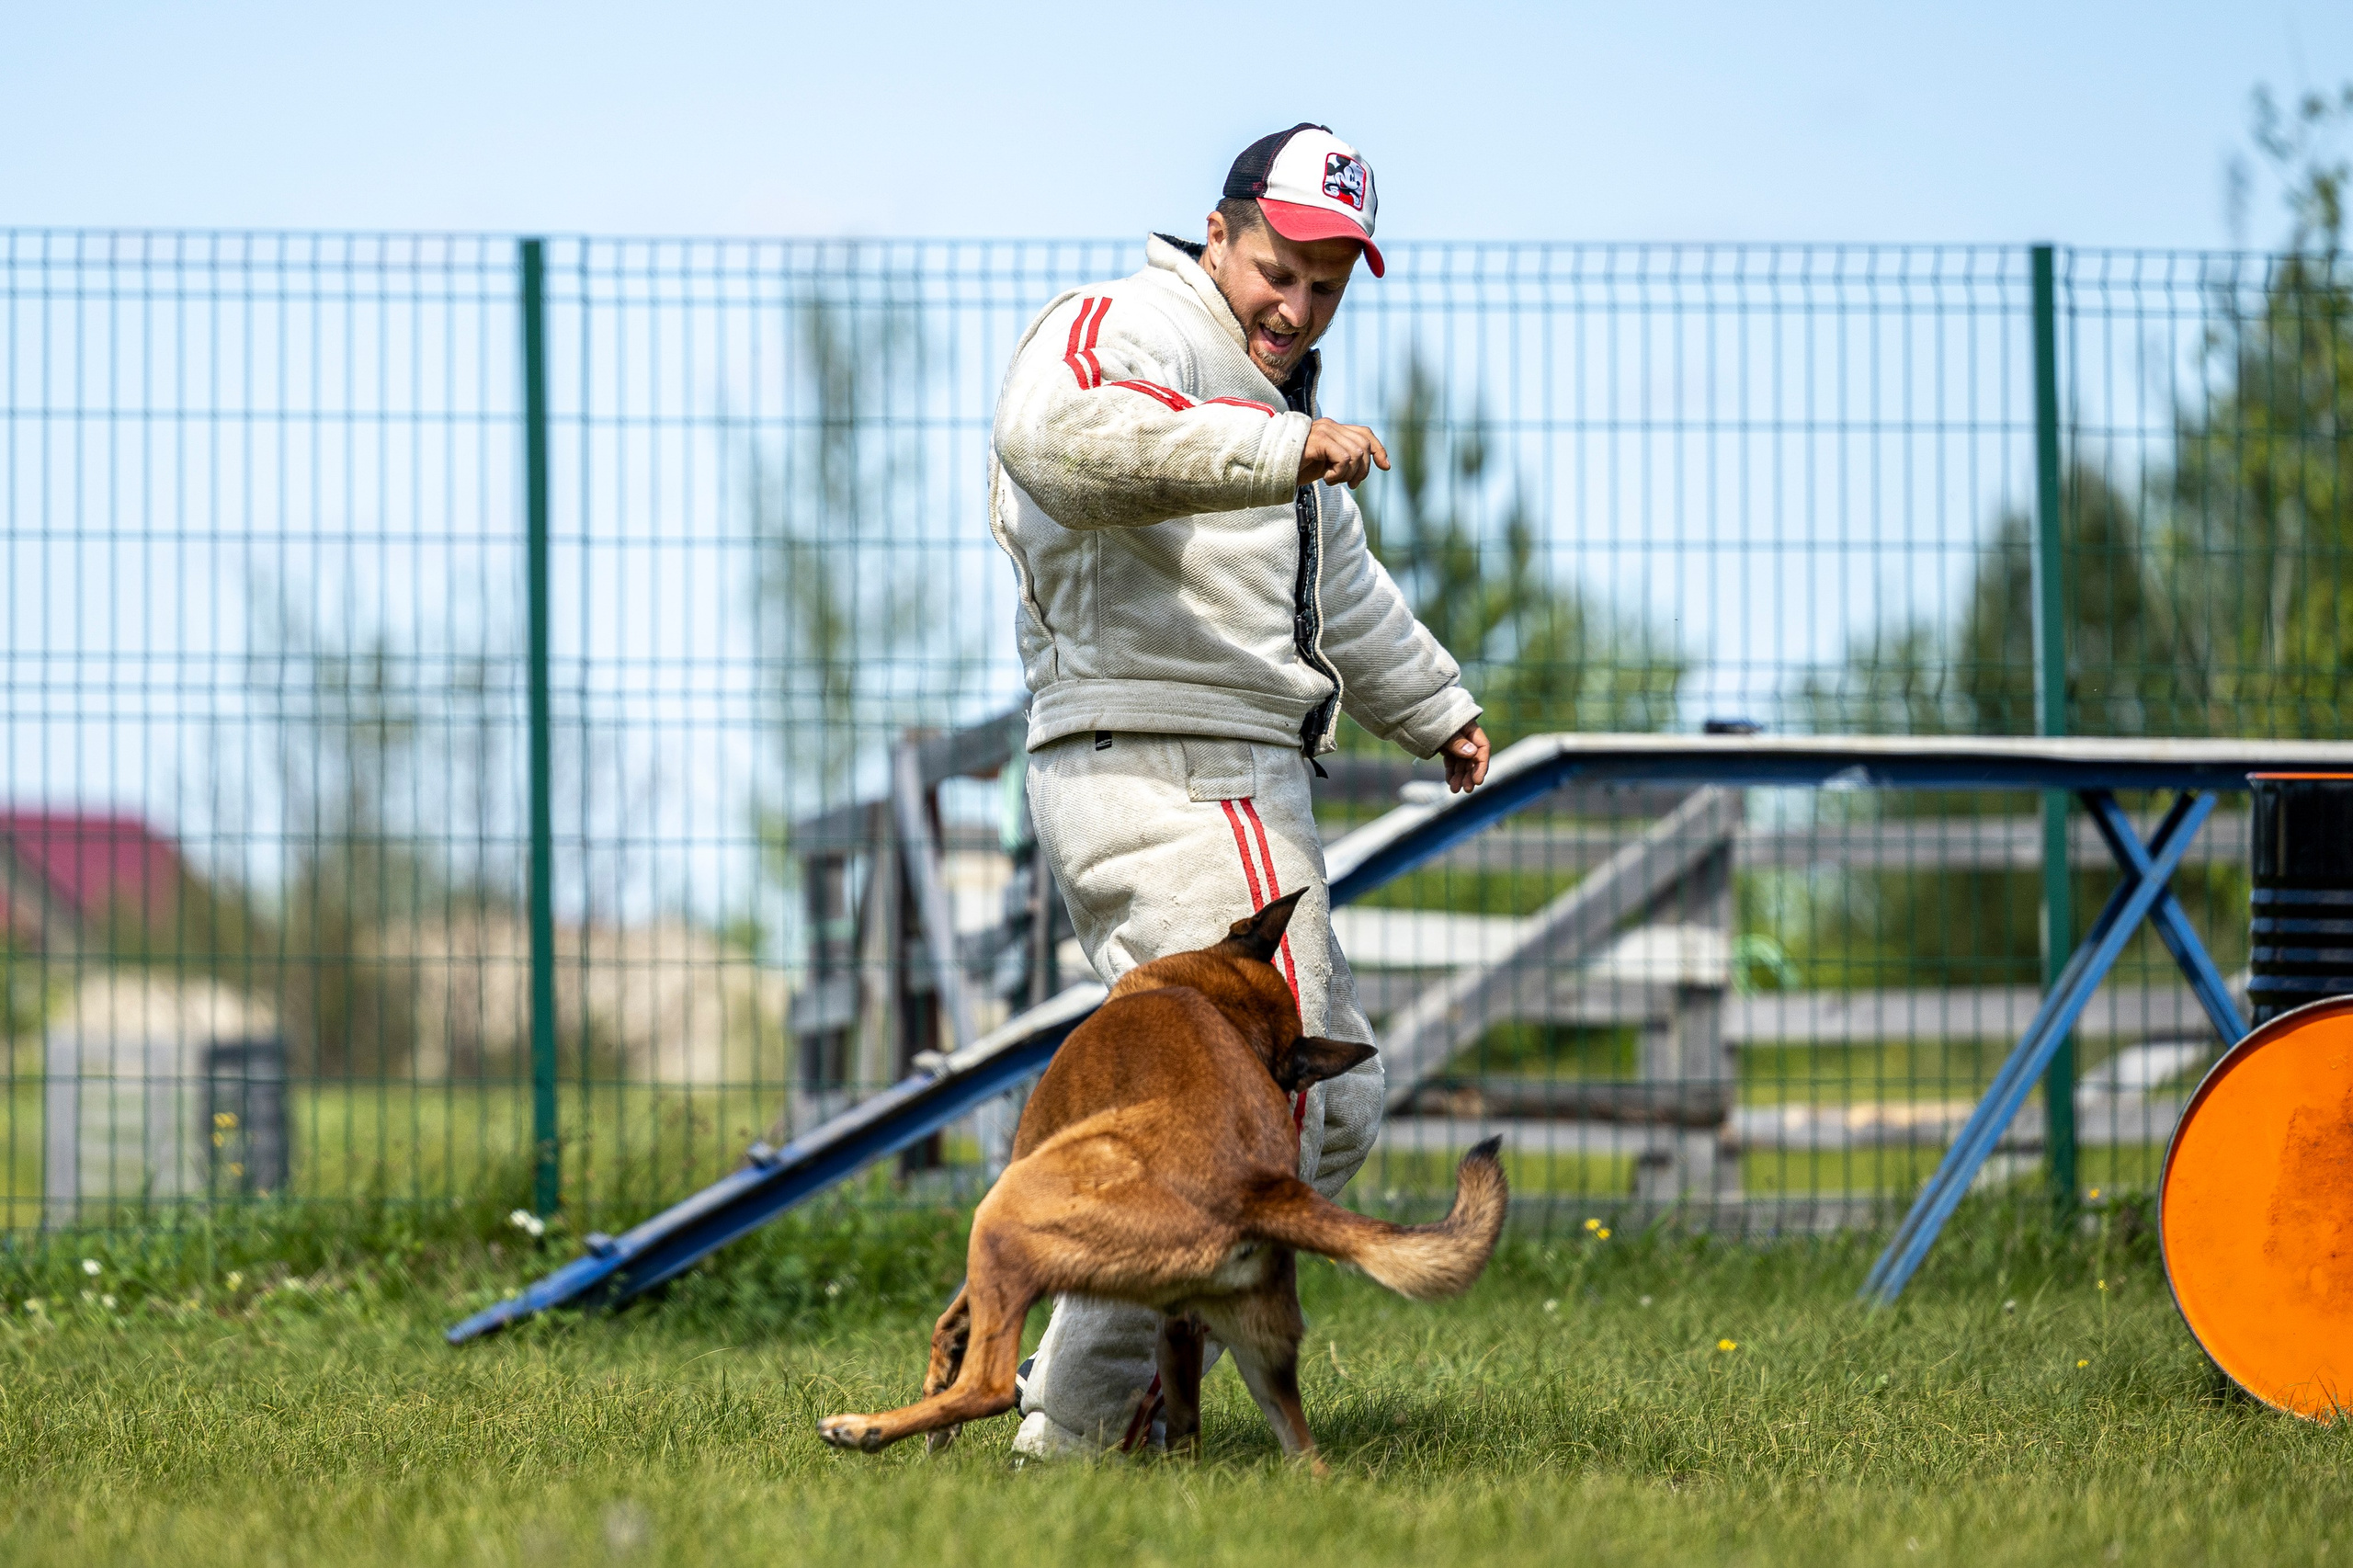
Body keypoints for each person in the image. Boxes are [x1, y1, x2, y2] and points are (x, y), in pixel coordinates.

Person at [989, 122, 1490, 1457]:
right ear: (1216, 236)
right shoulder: (1128, 325)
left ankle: (1102, 1399)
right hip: (1179, 766)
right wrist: (1278, 450)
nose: (1297, 305)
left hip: (1207, 772)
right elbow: (1056, 436)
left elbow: (1344, 596)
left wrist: (1437, 704)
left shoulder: (1280, 418)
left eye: (1327, 286)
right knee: (1288, 1109)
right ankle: (1082, 1423)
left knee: (1274, 1110)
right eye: (1279, 268)